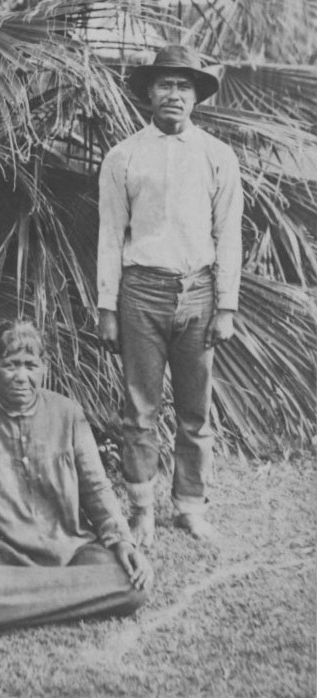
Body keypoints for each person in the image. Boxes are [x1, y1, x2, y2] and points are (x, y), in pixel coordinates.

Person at [0, 320, 151, 632]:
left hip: (67, 550)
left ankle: (6, 606)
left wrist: (123, 544)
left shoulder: (69, 414)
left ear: (44, 368)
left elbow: (96, 490)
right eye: (10, 365)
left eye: (30, 365)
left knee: (134, 583)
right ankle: (68, 598)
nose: (21, 377)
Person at [97, 45, 244, 547]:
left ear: (197, 95)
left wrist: (226, 305)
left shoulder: (218, 156)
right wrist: (107, 307)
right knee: (139, 409)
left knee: (194, 410)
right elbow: (110, 236)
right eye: (165, 84)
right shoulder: (124, 155)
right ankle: (140, 507)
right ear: (149, 93)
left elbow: (228, 234)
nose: (174, 94)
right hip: (141, 292)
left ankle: (190, 506)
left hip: (199, 291)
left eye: (184, 86)